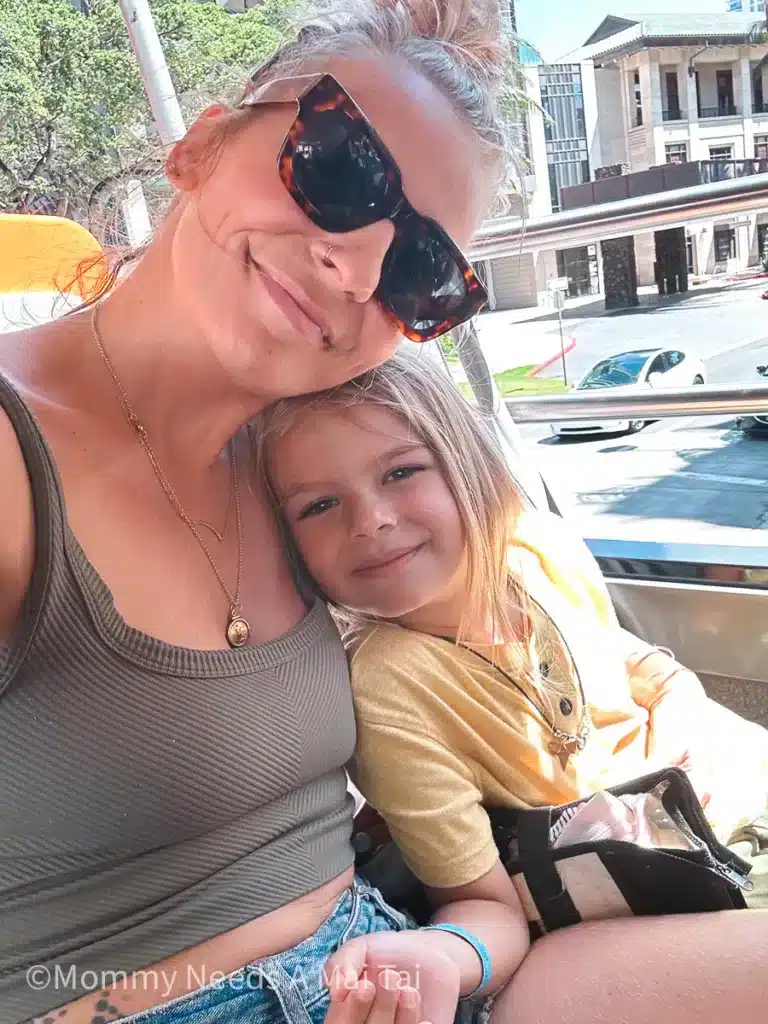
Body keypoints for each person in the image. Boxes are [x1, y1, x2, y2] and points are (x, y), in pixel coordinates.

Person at [2, 0, 767, 1021]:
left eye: (419, 271)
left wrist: (450, 956)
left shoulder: (301, 476)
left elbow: (511, 662)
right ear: (198, 146)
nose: (357, 266)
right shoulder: (18, 457)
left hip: (400, 967)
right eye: (337, 169)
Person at [259, 345, 768, 1018]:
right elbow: (484, 906)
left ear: (468, 463)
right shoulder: (388, 687)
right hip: (638, 896)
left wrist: (675, 745)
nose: (371, 519)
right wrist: (446, 953)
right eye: (319, 505)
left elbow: (646, 671)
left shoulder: (538, 550)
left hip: (713, 805)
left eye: (402, 472)